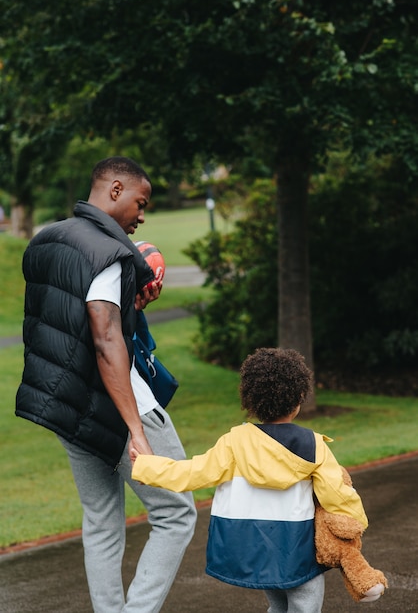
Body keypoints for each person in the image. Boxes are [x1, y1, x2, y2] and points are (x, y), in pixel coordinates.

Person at [16, 156, 196, 613]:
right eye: (141, 202)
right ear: (115, 190)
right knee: (175, 513)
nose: (142, 215)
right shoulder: (108, 252)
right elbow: (105, 336)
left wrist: (131, 303)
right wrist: (136, 428)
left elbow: (64, 319)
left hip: (66, 404)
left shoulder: (50, 239)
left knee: (100, 521)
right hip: (119, 405)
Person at [132, 347, 370, 613]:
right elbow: (336, 494)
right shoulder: (312, 445)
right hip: (296, 547)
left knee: (278, 603)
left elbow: (191, 473)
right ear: (298, 400)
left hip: (256, 546)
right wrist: (356, 521)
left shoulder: (235, 442)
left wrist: (146, 467)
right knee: (305, 605)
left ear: (251, 401)